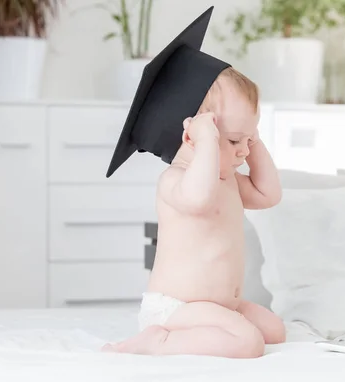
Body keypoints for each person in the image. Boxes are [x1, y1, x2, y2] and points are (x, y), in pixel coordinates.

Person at [101, 7, 285, 358]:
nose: (244, 150)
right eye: (234, 141)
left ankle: (215, 328)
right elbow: (200, 200)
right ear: (193, 137)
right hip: (176, 310)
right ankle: (160, 341)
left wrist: (252, 139)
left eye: (249, 139)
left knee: (274, 330)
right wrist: (206, 142)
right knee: (249, 343)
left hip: (217, 308)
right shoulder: (175, 182)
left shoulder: (228, 178)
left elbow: (269, 194)